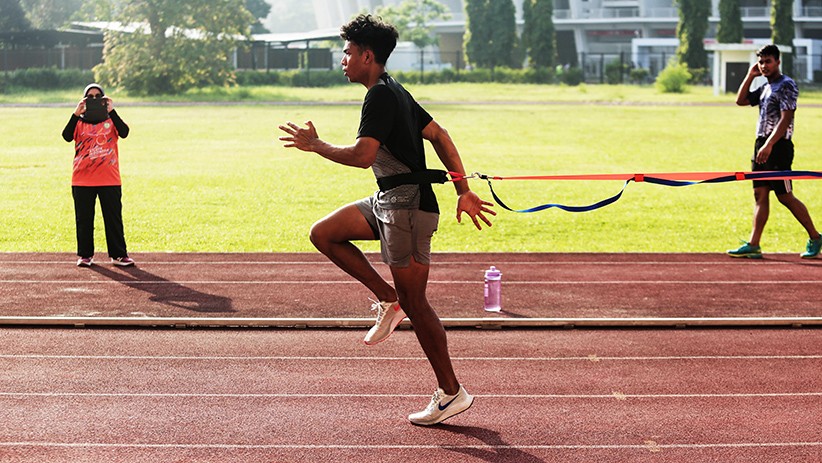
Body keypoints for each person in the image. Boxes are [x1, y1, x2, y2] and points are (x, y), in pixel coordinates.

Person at [278, 14, 495, 426]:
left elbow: (363, 156)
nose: (342, 59)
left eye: (347, 52)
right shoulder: (394, 90)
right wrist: (463, 189)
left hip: (407, 209)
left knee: (417, 302)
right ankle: (387, 298)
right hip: (388, 201)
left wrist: (317, 145)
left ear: (367, 55)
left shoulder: (381, 95)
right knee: (325, 233)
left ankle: (452, 392)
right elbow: (440, 134)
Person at [728, 44, 821, 259]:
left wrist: (769, 145)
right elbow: (740, 100)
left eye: (768, 61)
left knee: (785, 196)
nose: (763, 66)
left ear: (778, 61)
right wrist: (750, 76)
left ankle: (816, 237)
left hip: (778, 147)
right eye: (761, 62)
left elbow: (786, 118)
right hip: (761, 144)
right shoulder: (765, 87)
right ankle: (754, 244)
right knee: (760, 194)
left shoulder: (786, 85)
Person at [61, 83, 135, 267]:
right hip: (82, 178)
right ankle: (85, 255)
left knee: (113, 218)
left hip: (109, 178)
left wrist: (113, 111)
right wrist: (76, 113)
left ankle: (118, 255)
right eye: (90, 97)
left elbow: (124, 133)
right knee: (84, 219)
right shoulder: (78, 121)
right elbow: (66, 136)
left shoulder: (111, 120)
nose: (94, 100)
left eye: (98, 96)